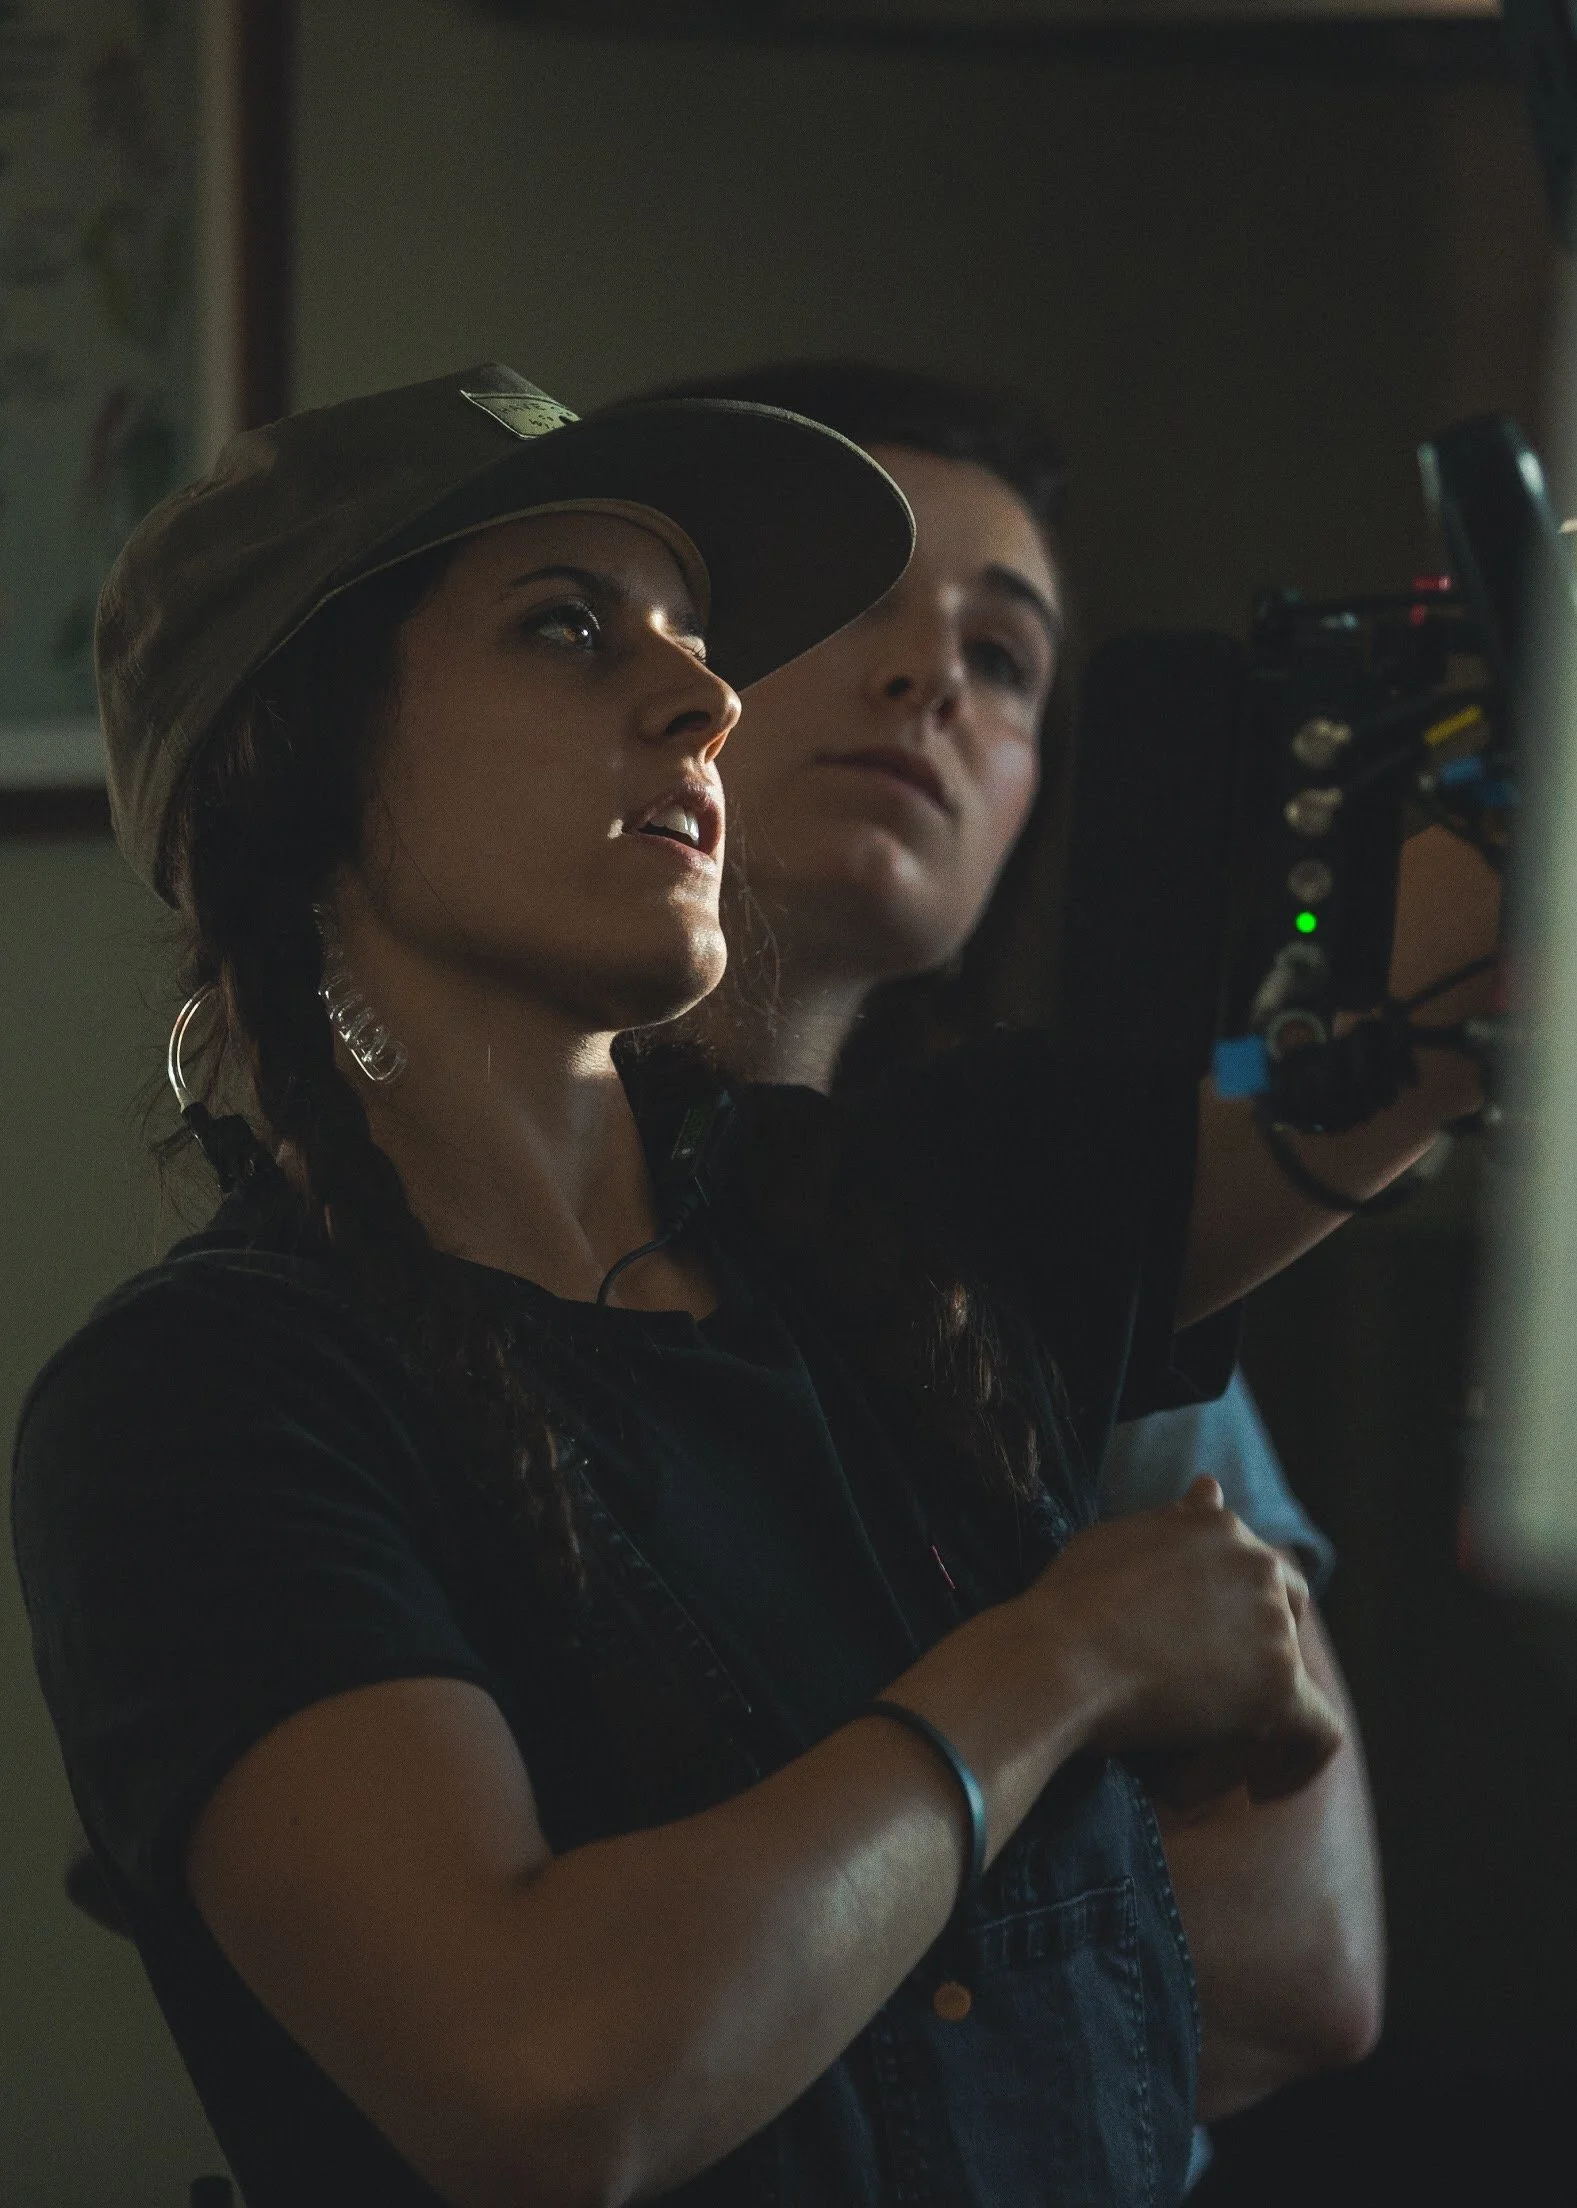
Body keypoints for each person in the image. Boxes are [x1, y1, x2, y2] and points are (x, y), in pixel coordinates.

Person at [9, 361, 1492, 2208]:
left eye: (697, 639)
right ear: (286, 767)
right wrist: (1060, 1666)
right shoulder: (204, 1405)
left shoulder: (932, 1215)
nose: (706, 697)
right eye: (567, 630)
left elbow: (1364, 1046)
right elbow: (544, 2084)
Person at [626, 359, 1373, 2145]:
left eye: (1009, 656)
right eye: (849, 602)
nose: (931, 675)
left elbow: (1295, 1973)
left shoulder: (1056, 1266)